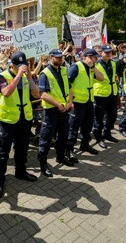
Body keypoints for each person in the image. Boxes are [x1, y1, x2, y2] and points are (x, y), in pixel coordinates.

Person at [0, 52, 40, 199]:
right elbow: (6, 92)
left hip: (24, 118)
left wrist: (30, 77)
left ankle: (21, 171)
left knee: (22, 148)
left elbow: (37, 94)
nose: (22, 68)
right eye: (18, 66)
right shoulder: (2, 76)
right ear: (11, 64)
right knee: (3, 153)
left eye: (23, 65)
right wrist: (18, 76)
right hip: (8, 120)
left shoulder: (27, 76)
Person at [37, 49, 74, 178]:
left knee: (63, 134)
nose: (60, 59)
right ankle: (43, 164)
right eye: (57, 57)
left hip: (64, 109)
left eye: (61, 57)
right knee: (46, 137)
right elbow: (43, 94)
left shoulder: (64, 70)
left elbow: (69, 88)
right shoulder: (45, 73)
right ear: (51, 58)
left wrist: (69, 102)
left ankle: (60, 157)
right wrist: (58, 105)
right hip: (51, 111)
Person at [66, 49, 104, 161]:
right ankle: (69, 150)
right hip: (77, 103)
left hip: (88, 101)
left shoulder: (91, 68)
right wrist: (70, 101)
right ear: (88, 57)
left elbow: (101, 78)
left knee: (87, 126)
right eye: (95, 57)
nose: (97, 59)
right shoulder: (76, 67)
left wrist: (93, 67)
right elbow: (67, 84)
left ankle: (85, 144)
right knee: (73, 127)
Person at [92, 44, 120, 149]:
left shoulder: (113, 63)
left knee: (112, 116)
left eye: (111, 52)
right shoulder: (96, 65)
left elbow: (114, 79)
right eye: (107, 52)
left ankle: (107, 133)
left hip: (112, 93)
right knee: (98, 118)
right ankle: (99, 137)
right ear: (101, 53)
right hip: (100, 94)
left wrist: (117, 94)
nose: (109, 54)